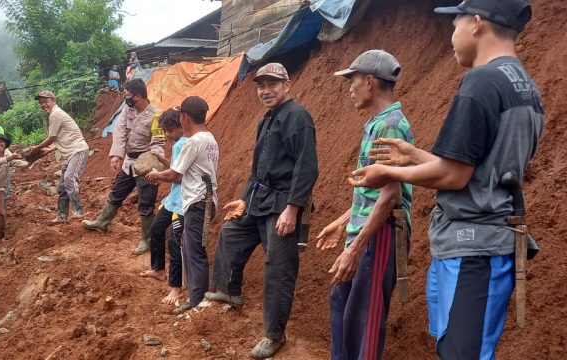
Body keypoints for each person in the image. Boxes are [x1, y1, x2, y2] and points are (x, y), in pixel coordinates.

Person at [350, 1, 543, 358]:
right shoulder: (524, 86)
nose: (451, 36)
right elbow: (479, 169)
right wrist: (414, 155)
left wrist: (389, 171)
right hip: (485, 242)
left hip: (475, 246)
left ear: (477, 23)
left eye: (454, 24)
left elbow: (454, 175)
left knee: (462, 352)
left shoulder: (481, 81)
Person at [204, 63, 319, 358]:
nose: (265, 91)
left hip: (282, 204)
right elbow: (258, 169)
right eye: (261, 85)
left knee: (278, 269)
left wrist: (293, 209)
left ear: (287, 85)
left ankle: (274, 334)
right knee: (231, 232)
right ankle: (230, 290)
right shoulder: (266, 119)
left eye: (272, 84)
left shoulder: (297, 117)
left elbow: (307, 168)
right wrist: (244, 199)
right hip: (259, 199)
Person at [316, 50, 414, 360]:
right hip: (364, 232)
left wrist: (355, 249)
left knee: (364, 322)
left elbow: (390, 195)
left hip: (380, 236)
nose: (350, 88)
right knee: (342, 308)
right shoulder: (377, 124)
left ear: (370, 82)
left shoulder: (390, 126)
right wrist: (344, 220)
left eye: (353, 80)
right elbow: (375, 192)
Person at [146, 96, 218, 314]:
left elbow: (175, 174)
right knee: (190, 249)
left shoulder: (192, 142)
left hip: (197, 202)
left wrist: (156, 174)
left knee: (194, 252)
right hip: (203, 201)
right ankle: (195, 298)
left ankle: (197, 302)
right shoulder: (209, 138)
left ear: (185, 118)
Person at [82, 78, 166, 255]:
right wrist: (116, 155)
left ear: (137, 96)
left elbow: (158, 142)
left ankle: (147, 240)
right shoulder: (128, 110)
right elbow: (119, 131)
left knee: (146, 203)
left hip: (146, 163)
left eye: (127, 95)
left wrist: (154, 164)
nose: (125, 98)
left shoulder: (156, 116)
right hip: (129, 162)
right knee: (117, 192)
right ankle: (102, 222)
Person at [137, 108, 187, 305]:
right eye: (165, 131)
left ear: (182, 125)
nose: (167, 134)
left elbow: (178, 176)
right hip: (174, 198)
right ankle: (158, 269)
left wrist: (157, 175)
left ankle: (176, 287)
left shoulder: (183, 144)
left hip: (183, 201)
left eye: (170, 130)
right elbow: (175, 168)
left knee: (175, 241)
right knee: (157, 230)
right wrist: (161, 160)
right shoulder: (178, 145)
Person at [29, 90, 90, 223]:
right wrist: (48, 150)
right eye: (41, 103)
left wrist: (37, 148)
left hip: (78, 150)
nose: (43, 104)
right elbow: (62, 138)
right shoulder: (55, 114)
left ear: (53, 101)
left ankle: (78, 211)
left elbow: (52, 137)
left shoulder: (55, 114)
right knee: (62, 186)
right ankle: (62, 216)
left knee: (69, 178)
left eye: (46, 101)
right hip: (71, 153)